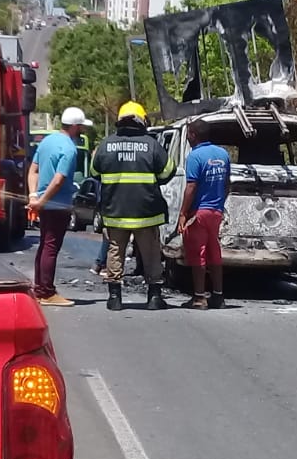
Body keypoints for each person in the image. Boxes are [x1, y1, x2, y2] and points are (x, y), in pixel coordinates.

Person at [92, 101, 175, 311]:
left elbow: (94, 173)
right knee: (151, 254)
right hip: (146, 212)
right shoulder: (151, 144)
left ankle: (114, 298)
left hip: (115, 212)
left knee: (115, 252)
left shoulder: (105, 145)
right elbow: (168, 171)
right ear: (141, 120)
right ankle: (154, 298)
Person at [27, 107, 92, 307]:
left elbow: (33, 170)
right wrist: (43, 200)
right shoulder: (69, 148)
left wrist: (34, 196)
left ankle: (40, 288)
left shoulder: (47, 142)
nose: (82, 129)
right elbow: (59, 179)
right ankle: (46, 292)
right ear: (74, 126)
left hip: (44, 202)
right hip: (58, 203)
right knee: (51, 246)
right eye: (80, 126)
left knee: (45, 244)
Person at [177, 118, 231, 310]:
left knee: (197, 254)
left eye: (189, 134)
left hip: (198, 213)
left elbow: (191, 187)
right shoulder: (223, 154)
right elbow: (227, 184)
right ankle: (218, 296)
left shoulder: (195, 156)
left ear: (193, 135)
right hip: (216, 212)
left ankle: (199, 297)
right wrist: (219, 204)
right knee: (214, 253)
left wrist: (183, 214)